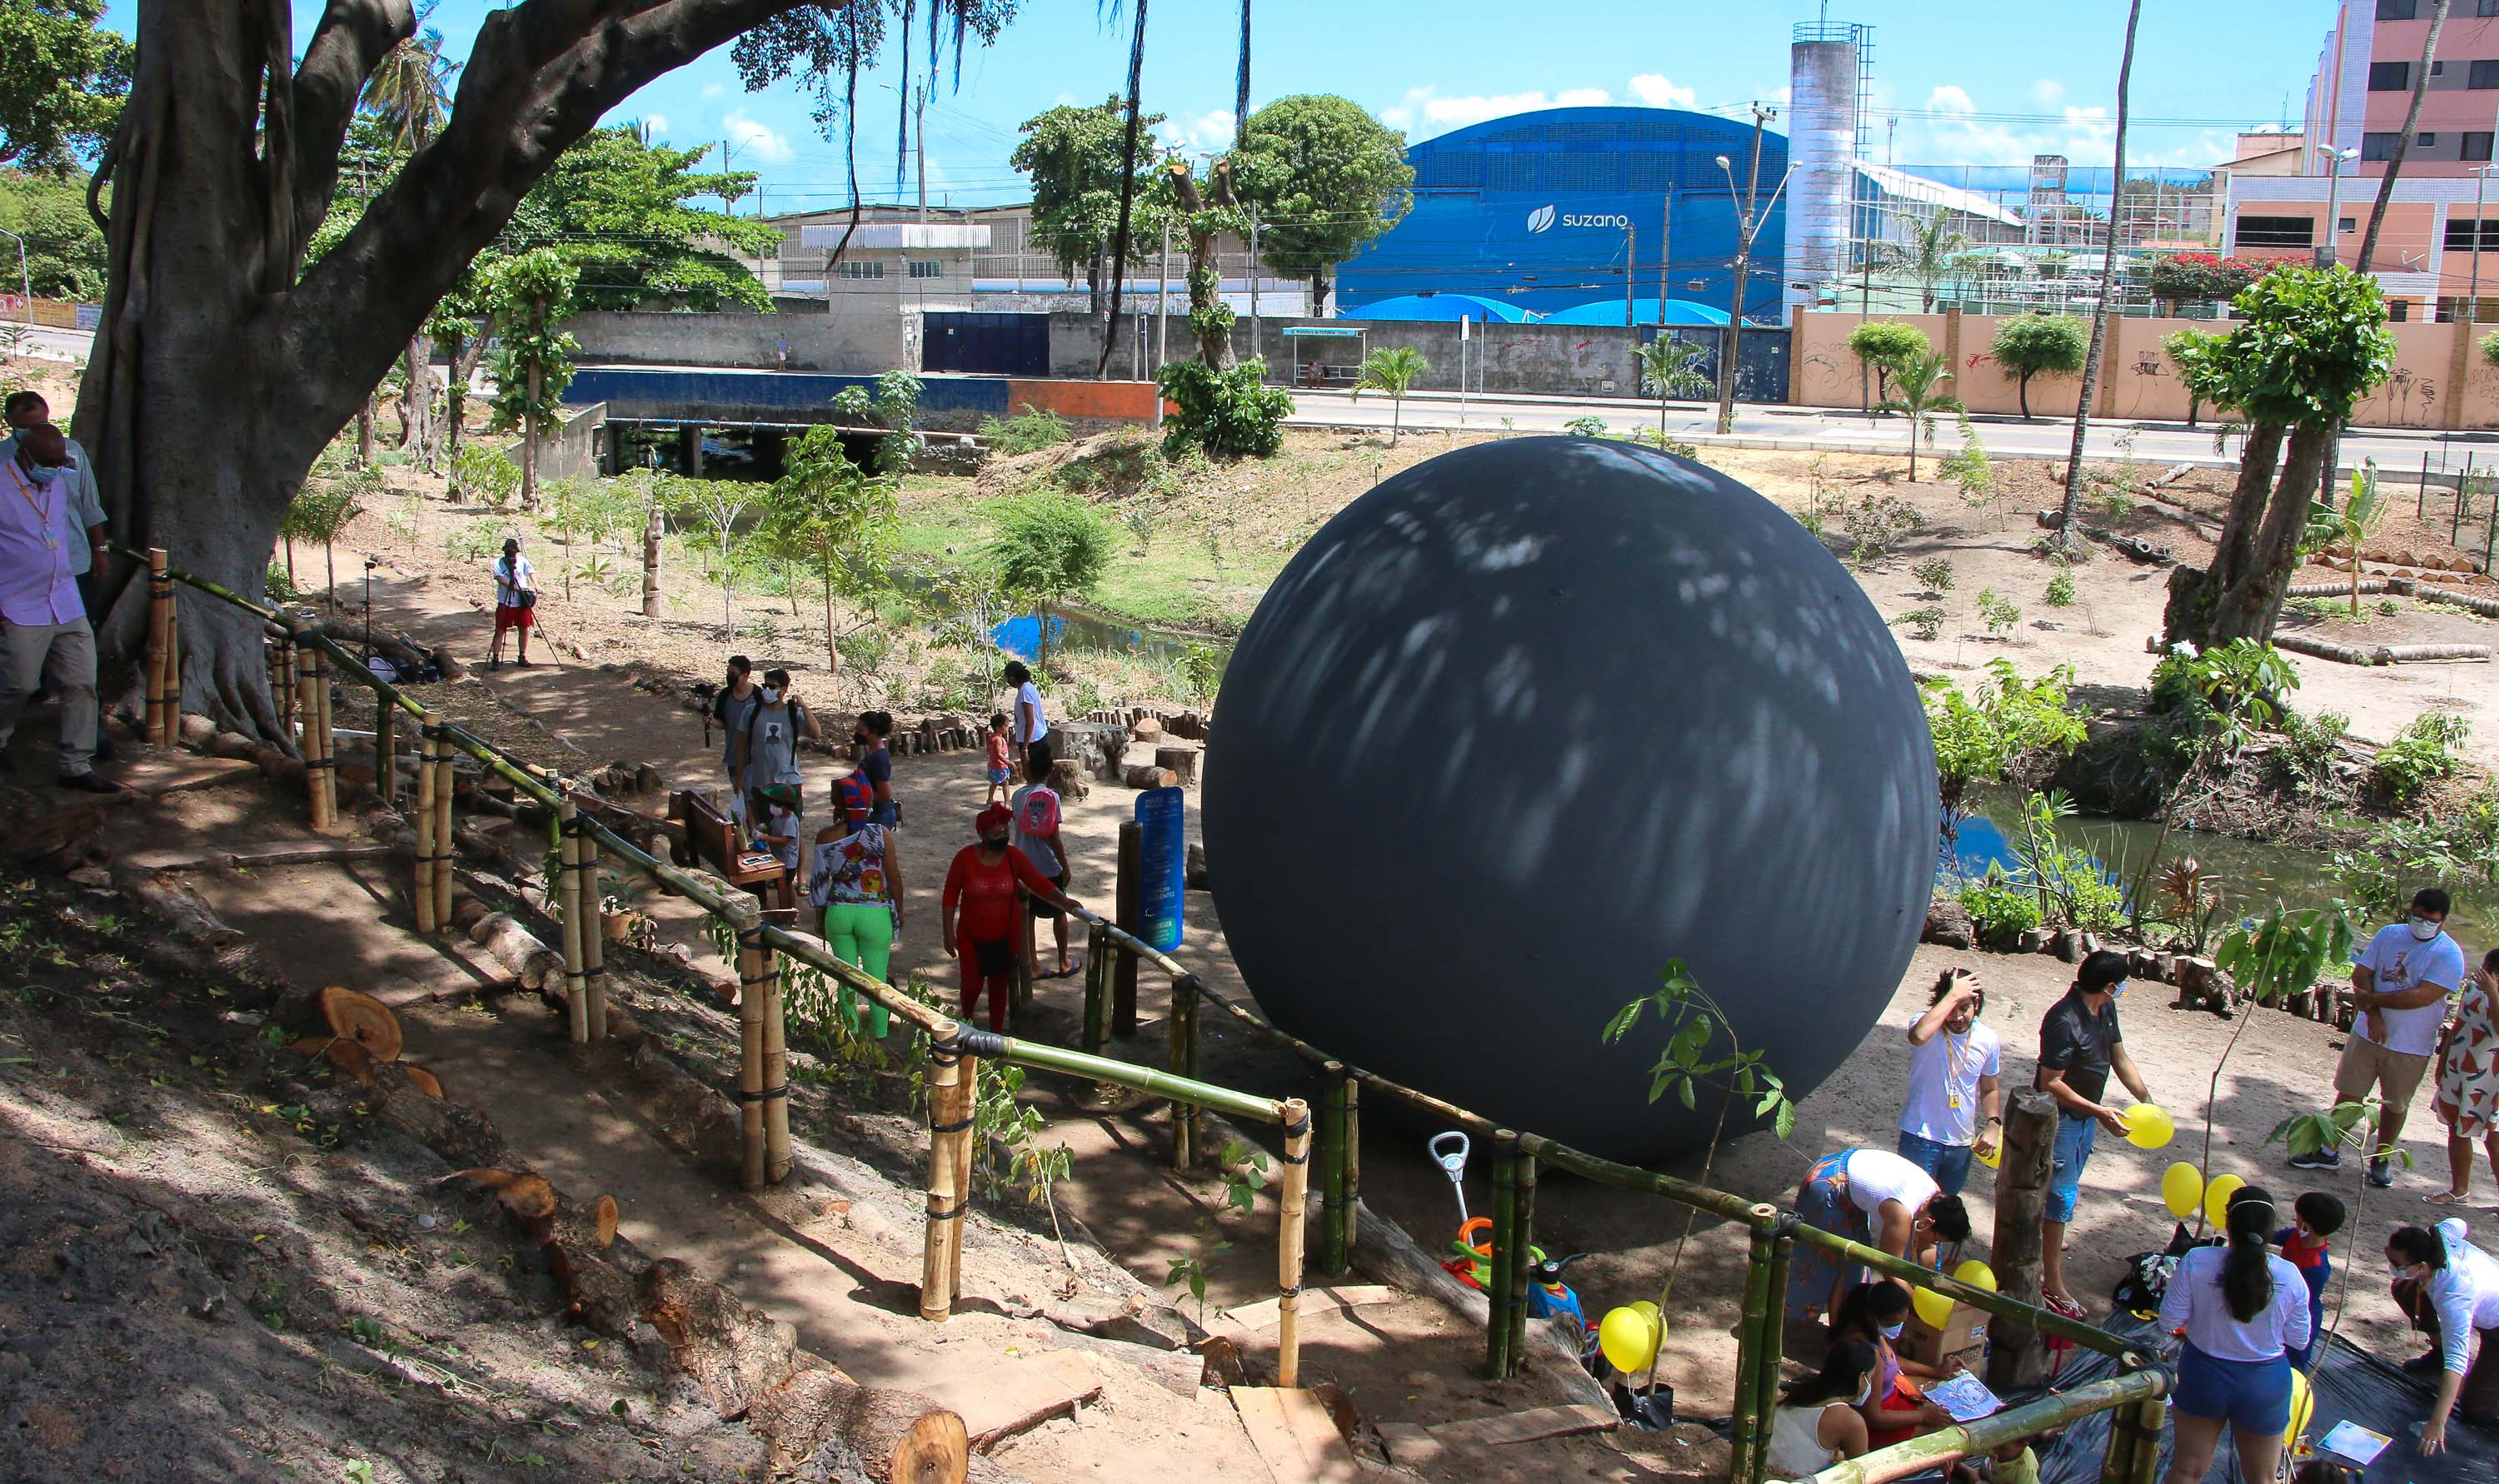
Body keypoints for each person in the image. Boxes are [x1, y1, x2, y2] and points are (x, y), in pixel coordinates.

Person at [2294, 889, 2465, 1188]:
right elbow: (2362, 973)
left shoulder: (2448, 955)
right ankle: (2328, 1149)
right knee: (2349, 1093)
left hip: (2411, 1045)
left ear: (2442, 921)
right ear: (2410, 910)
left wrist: (2371, 1000)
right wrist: (2372, 1014)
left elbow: (2422, 996)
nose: (2422, 923)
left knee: (2395, 1104)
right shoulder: (2389, 934)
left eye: (2430, 920)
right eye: (2418, 916)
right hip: (2367, 1034)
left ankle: (2382, 1157)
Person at [2158, 1185, 2311, 1484]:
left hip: (2202, 1374)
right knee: (2263, 1479)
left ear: (2228, 1223)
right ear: (2271, 1230)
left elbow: (2168, 1321)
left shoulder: (2196, 1261)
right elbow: (2299, 1339)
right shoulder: (2290, 1275)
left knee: (2186, 1470)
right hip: (2264, 1383)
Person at [2037, 949, 2152, 1316]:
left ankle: (2049, 1243)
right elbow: (2049, 1082)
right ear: (2111, 986)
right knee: (2059, 1196)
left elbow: (2119, 1057)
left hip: (2086, 1120)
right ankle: (2052, 1283)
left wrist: (2147, 1101)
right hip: (2063, 1120)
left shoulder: (2106, 1009)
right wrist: (2099, 1111)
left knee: (2063, 1195)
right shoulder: (2062, 1020)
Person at [0, 425, 111, 791]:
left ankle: (76, 765)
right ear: (23, 455)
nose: (54, 468)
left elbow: (80, 520)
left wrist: (99, 551)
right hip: (19, 602)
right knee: (20, 684)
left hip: (64, 598)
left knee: (82, 682)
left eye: (59, 461)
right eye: (47, 462)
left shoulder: (61, 481)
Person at [1787, 1147, 1973, 1321]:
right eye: (1936, 1238)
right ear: (1928, 1223)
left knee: (1856, 1262)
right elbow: (1890, 1270)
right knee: (1839, 1261)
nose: (1934, 1243)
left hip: (1847, 1180)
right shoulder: (1901, 1214)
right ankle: (1827, 1329)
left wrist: (1930, 1289)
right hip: (1830, 1183)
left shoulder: (1936, 1200)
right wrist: (1921, 1306)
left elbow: (1928, 1247)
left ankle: (1841, 1327)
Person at [941, 804, 1080, 1033]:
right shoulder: (964, 858)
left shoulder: (1014, 857)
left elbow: (1039, 883)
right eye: (997, 833)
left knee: (999, 990)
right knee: (971, 988)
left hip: (1005, 938)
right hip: (970, 937)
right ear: (982, 834)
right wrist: (948, 933)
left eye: (1006, 832)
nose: (1002, 837)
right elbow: (949, 897)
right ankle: (966, 1025)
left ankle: (996, 1035)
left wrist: (1064, 901)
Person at [2387, 1219, 2499, 1452]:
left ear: (2422, 1266)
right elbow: (2459, 1223)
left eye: (2397, 1264)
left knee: (2475, 1409)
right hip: (2484, 1303)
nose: (2392, 1268)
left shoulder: (2454, 1298)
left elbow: (2457, 1361)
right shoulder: (2440, 1236)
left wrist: (2437, 1422)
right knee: (2404, 1288)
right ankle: (2437, 1355)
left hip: (2495, 1326)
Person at [811, 773, 903, 1039]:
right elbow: (895, 880)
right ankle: (882, 1035)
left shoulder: (825, 837)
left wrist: (819, 916)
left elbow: (818, 884)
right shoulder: (880, 834)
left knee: (846, 978)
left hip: (839, 911)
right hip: (875, 913)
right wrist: (899, 911)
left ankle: (850, 1036)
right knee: (877, 979)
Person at [1898, 969, 2003, 1197]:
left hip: (1960, 1143)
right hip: (1920, 1136)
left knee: (1945, 1213)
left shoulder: (1988, 1039)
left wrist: (1994, 1124)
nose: (1956, 1017)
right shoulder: (1924, 1023)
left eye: (1964, 1008)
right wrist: (1954, 995)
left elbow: (1989, 1088)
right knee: (1913, 1206)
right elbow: (1918, 1036)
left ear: (1976, 1004)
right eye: (1951, 1008)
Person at [1828, 1282, 1955, 1447]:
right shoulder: (1867, 1354)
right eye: (1894, 1323)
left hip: (1893, 1404)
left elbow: (1892, 1361)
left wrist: (1934, 1372)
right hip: (1876, 1425)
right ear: (1872, 1316)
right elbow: (1875, 1418)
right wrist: (1923, 1416)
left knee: (1944, 1412)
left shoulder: (1872, 1330)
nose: (1898, 1329)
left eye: (1902, 1322)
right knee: (1945, 1432)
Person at [2428, 948, 2499, 1208]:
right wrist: (2443, 1062)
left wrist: (2493, 991)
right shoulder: (2472, 991)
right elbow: (2458, 1026)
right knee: (2456, 1127)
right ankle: (2460, 1189)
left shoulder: (2492, 992)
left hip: (2492, 1078)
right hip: (2461, 1070)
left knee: (2494, 1140)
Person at [1763, 1338, 1876, 1480]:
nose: (1871, 1383)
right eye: (1871, 1377)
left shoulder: (1801, 1391)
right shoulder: (1850, 1421)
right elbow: (1862, 1473)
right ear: (1861, 1379)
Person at [1010, 742, 1075, 979]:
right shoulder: (1052, 797)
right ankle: (1063, 961)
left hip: (1023, 865)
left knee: (1028, 916)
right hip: (1049, 866)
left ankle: (1033, 964)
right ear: (1050, 770)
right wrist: (1065, 866)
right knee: (1060, 911)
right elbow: (1053, 837)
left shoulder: (1017, 796)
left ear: (1027, 770)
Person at [2271, 1191, 2344, 1369]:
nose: (2295, 1220)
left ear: (2307, 1224)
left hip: (2302, 1314)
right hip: (2283, 1304)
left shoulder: (2316, 1267)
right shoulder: (2294, 1236)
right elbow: (2273, 1236)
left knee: (2294, 1360)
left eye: (2297, 1217)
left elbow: (2301, 1299)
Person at [736, 669, 818, 824]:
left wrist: (804, 706)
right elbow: (740, 747)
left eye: (773, 687)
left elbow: (815, 733)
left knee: (792, 829)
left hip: (788, 781)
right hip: (760, 781)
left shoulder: (793, 714)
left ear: (784, 689)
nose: (767, 690)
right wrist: (739, 778)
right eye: (765, 686)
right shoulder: (751, 712)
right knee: (763, 828)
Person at [710, 656, 760, 823]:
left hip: (756, 758)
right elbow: (723, 723)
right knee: (743, 796)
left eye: (733, 673)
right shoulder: (725, 695)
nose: (729, 676)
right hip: (733, 756)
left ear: (746, 675)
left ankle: (755, 830)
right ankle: (752, 831)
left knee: (753, 797)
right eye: (728, 673)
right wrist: (710, 720)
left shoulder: (758, 696)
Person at [489, 537, 536, 668]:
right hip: (505, 602)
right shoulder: (498, 562)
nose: (510, 552)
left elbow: (531, 571)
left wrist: (536, 585)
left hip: (522, 601)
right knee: (500, 630)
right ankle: (495, 659)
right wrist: (514, 588)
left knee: (524, 628)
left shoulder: (522, 561)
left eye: (512, 550)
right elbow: (499, 578)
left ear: (516, 551)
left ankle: (522, 656)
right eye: (508, 549)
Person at [850, 710, 898, 829]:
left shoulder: (879, 758)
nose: (857, 733)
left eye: (861, 730)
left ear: (874, 731)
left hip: (879, 816)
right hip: (873, 814)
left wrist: (858, 794)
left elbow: (885, 795)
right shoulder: (873, 753)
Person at [1002, 660, 1050, 772]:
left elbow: (1030, 721)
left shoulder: (1025, 691)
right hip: (1034, 737)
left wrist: (1025, 748)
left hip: (1034, 740)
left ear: (1012, 678)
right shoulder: (1027, 688)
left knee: (1032, 772)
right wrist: (1017, 735)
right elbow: (1023, 720)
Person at [753, 783, 802, 874]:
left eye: (774, 804)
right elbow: (771, 829)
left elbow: (784, 841)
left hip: (788, 862)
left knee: (787, 886)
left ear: (785, 806)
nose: (772, 807)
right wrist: (762, 829)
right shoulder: (778, 817)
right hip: (777, 858)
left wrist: (765, 837)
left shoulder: (790, 821)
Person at [983, 711, 1013, 807]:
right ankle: (1007, 802)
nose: (1007, 728)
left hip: (993, 765)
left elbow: (989, 750)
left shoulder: (991, 737)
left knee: (994, 783)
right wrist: (1009, 763)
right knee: (1005, 784)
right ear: (998, 728)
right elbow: (999, 754)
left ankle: (990, 799)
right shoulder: (998, 740)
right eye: (1006, 726)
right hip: (1000, 766)